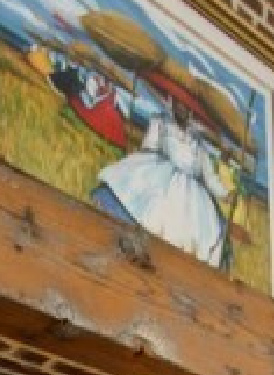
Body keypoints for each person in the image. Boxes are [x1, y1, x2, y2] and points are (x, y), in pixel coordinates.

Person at [91, 96, 229, 267]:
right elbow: (149, 147)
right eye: (179, 106)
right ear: (172, 104)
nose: (182, 111)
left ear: (190, 113)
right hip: (164, 173)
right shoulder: (161, 123)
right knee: (154, 206)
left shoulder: (198, 143)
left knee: (196, 225)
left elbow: (209, 176)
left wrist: (225, 193)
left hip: (190, 192)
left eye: (186, 109)